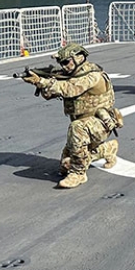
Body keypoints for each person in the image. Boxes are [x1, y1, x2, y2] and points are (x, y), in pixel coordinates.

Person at [21, 43, 122, 189]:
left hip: (99, 123)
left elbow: (70, 89)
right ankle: (107, 149)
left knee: (76, 129)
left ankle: (78, 174)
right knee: (65, 164)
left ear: (79, 58)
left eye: (66, 62)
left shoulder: (92, 75)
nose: (63, 66)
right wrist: (41, 83)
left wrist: (41, 81)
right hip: (85, 125)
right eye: (61, 63)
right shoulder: (71, 75)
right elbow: (49, 94)